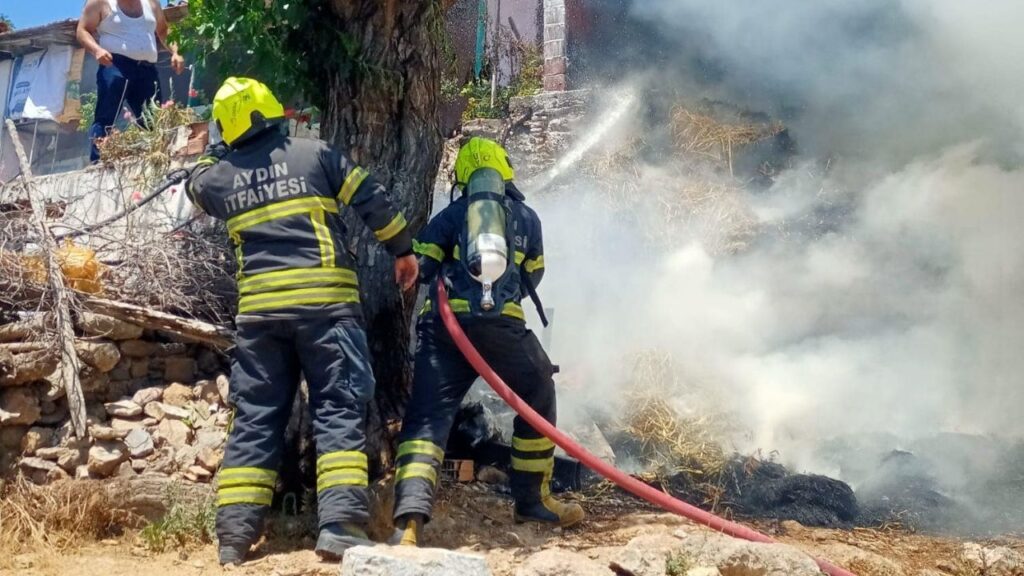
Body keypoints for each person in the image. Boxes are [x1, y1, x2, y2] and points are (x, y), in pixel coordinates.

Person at [185, 77, 419, 565]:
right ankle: (338, 528)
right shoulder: (316, 153)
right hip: (327, 311)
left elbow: (195, 183)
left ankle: (233, 539)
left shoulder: (221, 176)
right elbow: (371, 197)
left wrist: (214, 147)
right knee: (337, 409)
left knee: (255, 419)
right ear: (273, 111)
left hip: (261, 318)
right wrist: (402, 250)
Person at [390, 137, 584, 547]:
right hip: (503, 331)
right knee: (537, 390)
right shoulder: (527, 218)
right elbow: (535, 275)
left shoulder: (451, 214)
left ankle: (408, 522)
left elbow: (420, 268)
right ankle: (533, 500)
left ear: (463, 178)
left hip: (444, 333)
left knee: (427, 417)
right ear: (505, 172)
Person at [76, 0, 186, 164]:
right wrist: (97, 50)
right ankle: (98, 163)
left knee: (152, 120)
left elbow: (163, 30)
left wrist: (176, 52)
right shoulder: (101, 3)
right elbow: (82, 30)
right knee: (106, 117)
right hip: (116, 65)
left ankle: (156, 159)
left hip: (146, 69)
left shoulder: (151, 4)